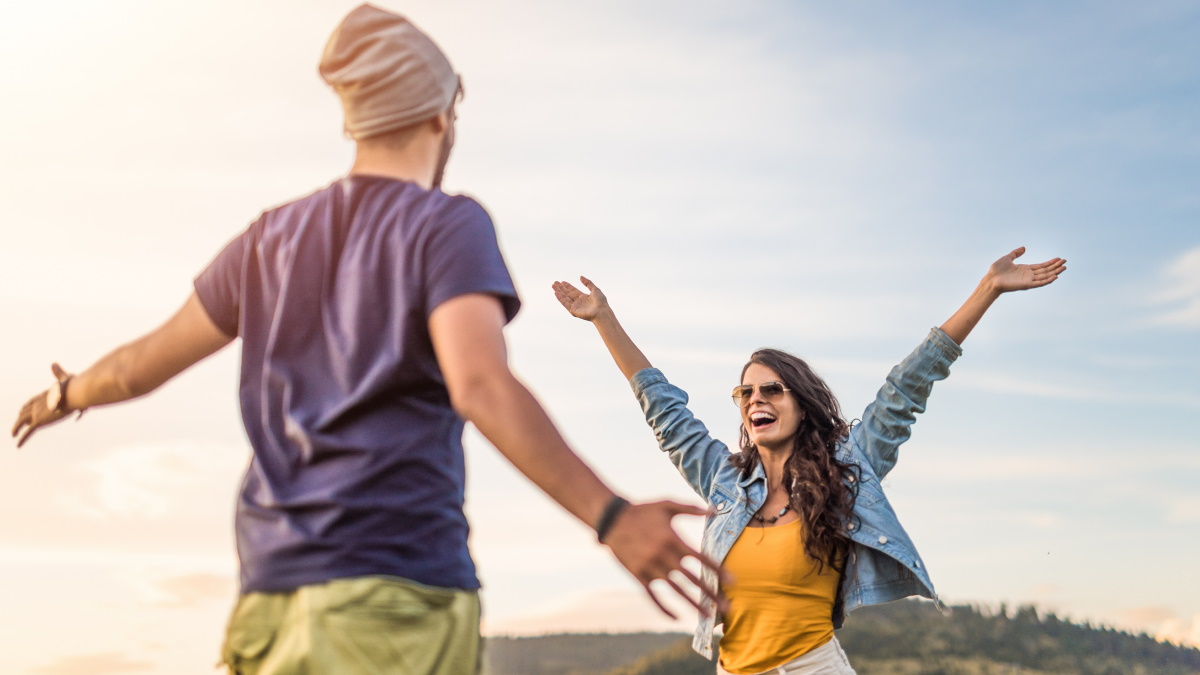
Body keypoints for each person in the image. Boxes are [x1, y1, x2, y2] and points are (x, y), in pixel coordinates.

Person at [10, 6, 725, 674]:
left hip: (268, 603)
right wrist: (609, 515)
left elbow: (139, 365)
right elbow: (477, 384)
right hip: (394, 595)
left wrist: (60, 394)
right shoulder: (443, 224)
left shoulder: (268, 239)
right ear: (443, 115)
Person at [552, 247, 1066, 675]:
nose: (757, 400)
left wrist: (987, 290)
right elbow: (665, 410)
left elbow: (907, 387)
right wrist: (604, 320)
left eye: (772, 390)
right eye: (746, 392)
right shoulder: (724, 480)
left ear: (802, 402)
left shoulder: (849, 469)